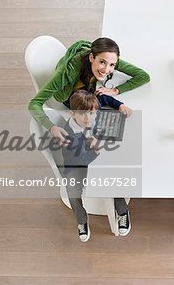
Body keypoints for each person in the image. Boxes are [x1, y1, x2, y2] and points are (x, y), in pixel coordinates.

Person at [29, 37, 150, 145]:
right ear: (92, 57)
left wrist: (115, 90)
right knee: (96, 128)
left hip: (87, 89)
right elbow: (34, 104)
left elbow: (143, 76)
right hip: (69, 95)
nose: (107, 69)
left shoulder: (108, 57)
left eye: (112, 65)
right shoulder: (66, 74)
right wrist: (51, 128)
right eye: (102, 62)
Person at [62, 90, 132, 242]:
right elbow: (82, 160)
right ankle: (81, 220)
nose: (88, 118)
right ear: (72, 114)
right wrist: (96, 149)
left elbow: (104, 98)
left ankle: (122, 211)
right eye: (82, 114)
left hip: (95, 156)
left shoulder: (93, 108)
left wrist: (120, 106)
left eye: (92, 113)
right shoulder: (69, 137)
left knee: (113, 174)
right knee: (73, 190)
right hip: (77, 165)